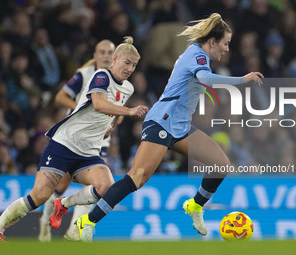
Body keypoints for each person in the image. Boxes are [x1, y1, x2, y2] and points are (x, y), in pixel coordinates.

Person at [73, 13, 264, 242]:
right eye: (225, 44)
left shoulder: (198, 54)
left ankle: (195, 206)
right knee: (137, 178)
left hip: (181, 127)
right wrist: (242, 80)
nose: (226, 49)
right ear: (212, 42)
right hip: (162, 121)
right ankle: (86, 222)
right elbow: (206, 79)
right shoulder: (197, 56)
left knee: (221, 164)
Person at [0, 36, 148, 242]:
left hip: (88, 152)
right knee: (40, 196)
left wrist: (110, 127)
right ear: (115, 59)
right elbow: (98, 103)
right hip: (65, 144)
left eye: (134, 65)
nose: (130, 68)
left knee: (106, 186)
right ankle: (0, 227)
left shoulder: (128, 88)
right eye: (127, 62)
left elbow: (114, 111)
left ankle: (63, 205)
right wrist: (130, 111)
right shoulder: (101, 76)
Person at [38, 39, 116, 242]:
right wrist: (81, 108)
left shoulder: (119, 80)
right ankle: (45, 222)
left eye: (110, 52)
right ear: (95, 55)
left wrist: (114, 122)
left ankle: (75, 231)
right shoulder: (85, 75)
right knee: (60, 185)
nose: (106, 55)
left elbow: (118, 110)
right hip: (73, 138)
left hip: (98, 141)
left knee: (95, 186)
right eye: (102, 52)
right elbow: (60, 97)